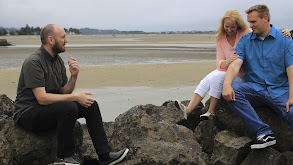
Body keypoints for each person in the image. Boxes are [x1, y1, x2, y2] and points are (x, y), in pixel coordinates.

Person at [13, 24, 129, 165]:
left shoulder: (57, 61)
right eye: (63, 37)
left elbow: (63, 92)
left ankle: (105, 156)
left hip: (48, 109)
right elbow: (42, 98)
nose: (66, 40)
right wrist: (75, 97)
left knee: (90, 105)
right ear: (51, 40)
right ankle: (63, 158)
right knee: (69, 107)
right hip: (27, 113)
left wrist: (74, 77)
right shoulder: (34, 62)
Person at [222, 4, 293, 149]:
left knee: (292, 112)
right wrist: (226, 84)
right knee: (234, 91)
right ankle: (264, 133)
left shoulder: (285, 39)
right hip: (255, 89)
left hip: (280, 90)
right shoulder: (246, 40)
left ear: (265, 18)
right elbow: (235, 64)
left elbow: (291, 68)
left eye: (253, 22)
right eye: (249, 22)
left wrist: (292, 96)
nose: (250, 25)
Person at [174, 9, 251, 120]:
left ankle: (211, 111)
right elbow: (219, 63)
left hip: (240, 75)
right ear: (223, 25)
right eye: (227, 26)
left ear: (238, 25)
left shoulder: (246, 33)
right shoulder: (220, 38)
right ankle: (188, 110)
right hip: (225, 70)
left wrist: (285, 32)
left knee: (216, 77)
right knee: (207, 79)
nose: (229, 30)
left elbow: (262, 34)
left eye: (232, 27)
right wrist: (228, 60)